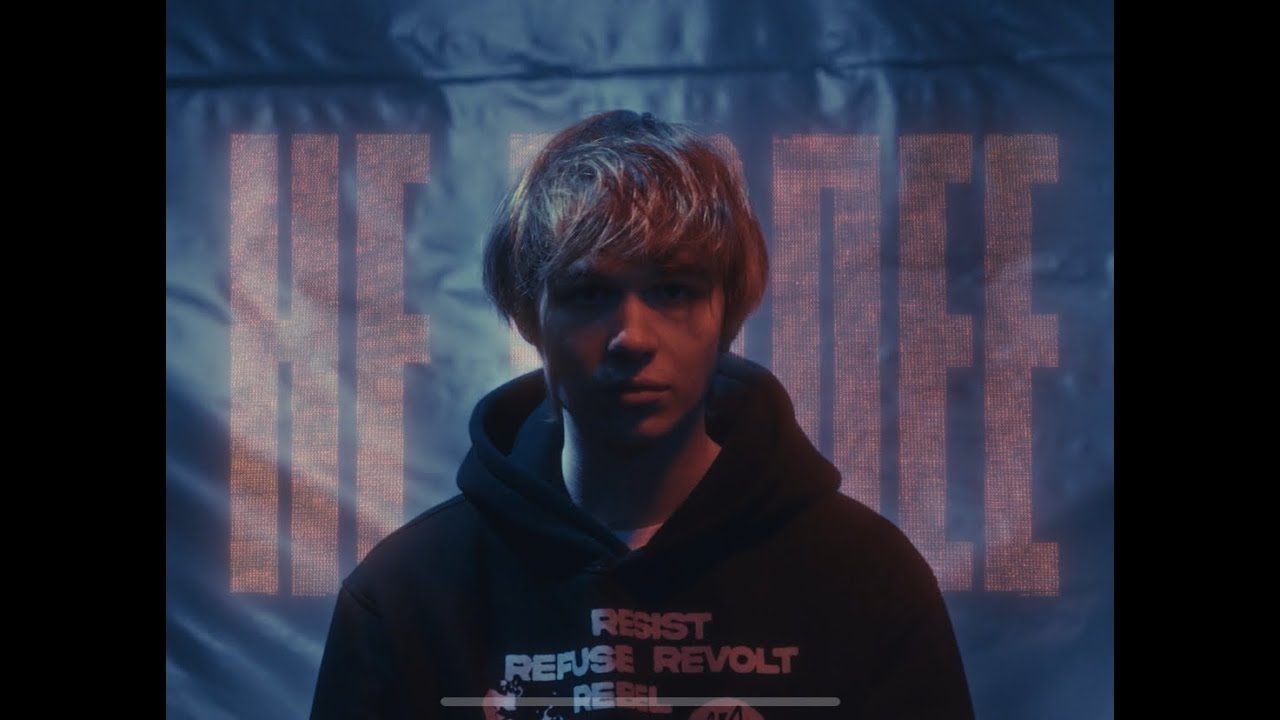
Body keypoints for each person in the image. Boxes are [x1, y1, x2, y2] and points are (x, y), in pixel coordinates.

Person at [310, 110, 975, 719]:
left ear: (728, 313)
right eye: (588, 293)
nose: (631, 336)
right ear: (528, 318)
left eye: (673, 290)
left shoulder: (863, 577)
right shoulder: (409, 594)